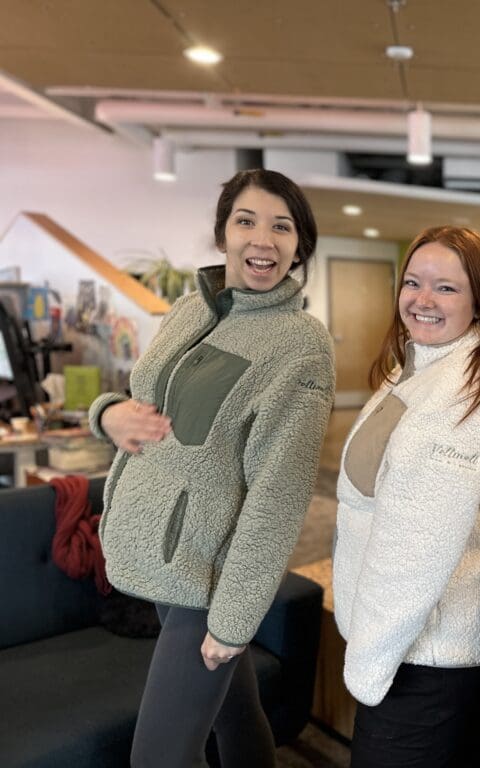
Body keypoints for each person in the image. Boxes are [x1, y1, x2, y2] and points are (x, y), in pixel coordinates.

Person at [88, 169, 335, 768]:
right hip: (158, 554)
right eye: (246, 221)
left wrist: (233, 619)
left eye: (283, 227)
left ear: (300, 246)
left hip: (206, 572)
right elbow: (139, 396)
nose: (263, 240)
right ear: (223, 232)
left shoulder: (299, 346)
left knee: (158, 758)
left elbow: (277, 497)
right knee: (236, 712)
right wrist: (108, 413)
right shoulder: (186, 309)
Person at [332, 225, 480, 768]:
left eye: (446, 288)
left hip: (428, 646)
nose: (423, 299)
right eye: (413, 282)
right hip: (448, 637)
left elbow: (415, 547)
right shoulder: (430, 365)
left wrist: (368, 665)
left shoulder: (462, 397)